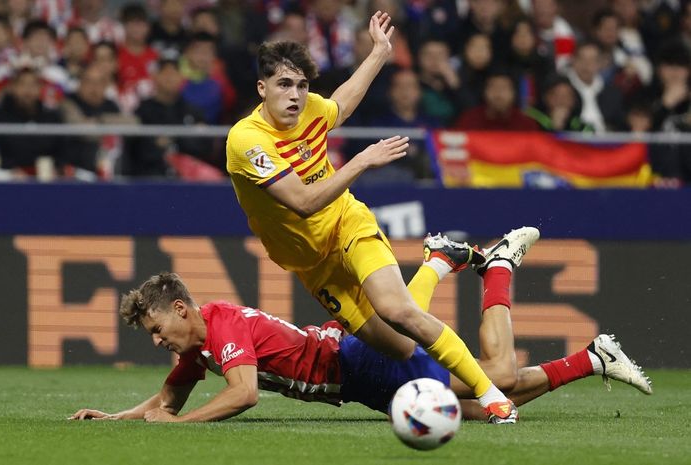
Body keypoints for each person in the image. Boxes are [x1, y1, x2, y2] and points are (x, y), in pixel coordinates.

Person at [224, 11, 518, 423]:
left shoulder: (309, 109)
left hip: (347, 224)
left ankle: (492, 397)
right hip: (315, 264)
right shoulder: (247, 141)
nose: (295, 95)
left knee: (399, 311)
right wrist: (361, 161)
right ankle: (437, 262)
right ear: (262, 88)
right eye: (284, 84)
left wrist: (380, 52)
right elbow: (303, 203)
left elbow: (341, 103)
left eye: (303, 85)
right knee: (398, 346)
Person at [68, 227, 652, 424]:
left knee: (492, 377)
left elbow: (243, 394)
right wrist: (115, 420)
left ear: (180, 309)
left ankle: (495, 267)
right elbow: (165, 402)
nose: (155, 340)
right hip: (357, 380)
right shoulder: (198, 347)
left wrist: (180, 427)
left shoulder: (221, 326)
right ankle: (594, 356)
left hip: (356, 363)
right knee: (472, 407)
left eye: (154, 328)